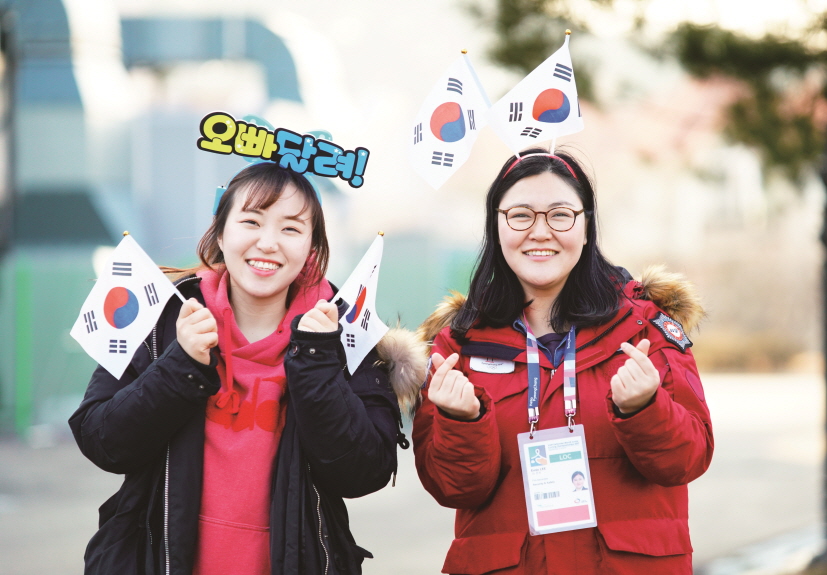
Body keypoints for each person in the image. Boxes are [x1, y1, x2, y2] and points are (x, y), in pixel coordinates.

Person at [69, 161, 425, 575]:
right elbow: (102, 441)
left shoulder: (345, 334)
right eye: (251, 222)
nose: (268, 243)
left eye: (290, 228)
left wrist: (316, 363)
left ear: (312, 247)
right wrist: (179, 365)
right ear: (220, 233)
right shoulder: (162, 320)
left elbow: (364, 473)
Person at [413, 148, 712, 575]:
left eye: (560, 215)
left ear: (586, 226)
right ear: (496, 227)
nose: (540, 232)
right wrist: (462, 420)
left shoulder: (645, 327)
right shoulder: (459, 345)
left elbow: (688, 459)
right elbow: (452, 488)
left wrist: (645, 408)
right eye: (520, 215)